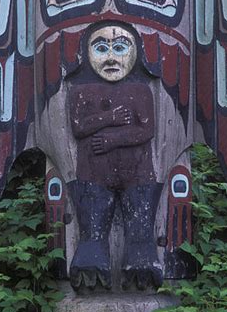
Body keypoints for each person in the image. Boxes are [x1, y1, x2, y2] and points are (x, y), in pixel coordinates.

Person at [68, 24, 162, 290]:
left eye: (120, 48)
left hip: (138, 174)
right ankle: (90, 273)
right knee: (91, 234)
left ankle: (143, 270)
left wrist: (112, 139)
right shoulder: (80, 91)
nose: (111, 58)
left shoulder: (141, 90)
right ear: (86, 54)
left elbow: (147, 130)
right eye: (101, 49)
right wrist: (110, 118)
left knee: (141, 234)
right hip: (92, 174)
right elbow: (78, 128)